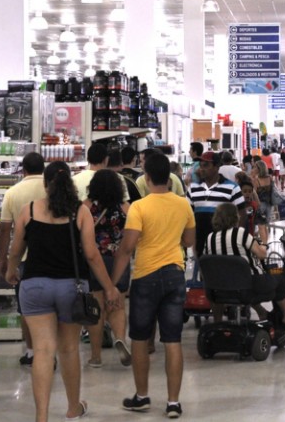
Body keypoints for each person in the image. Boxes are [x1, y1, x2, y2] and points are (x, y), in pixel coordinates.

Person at [5, 161, 121, 422]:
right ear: (69, 183)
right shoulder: (80, 212)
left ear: (45, 184)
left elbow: (15, 250)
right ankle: (72, 408)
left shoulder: (29, 211)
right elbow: (91, 255)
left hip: (34, 286)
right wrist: (110, 287)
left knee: (43, 351)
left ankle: (42, 416)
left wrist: (11, 271)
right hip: (71, 288)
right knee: (68, 349)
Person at [111, 153, 196, 418]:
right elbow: (190, 241)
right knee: (172, 340)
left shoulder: (139, 207)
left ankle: (142, 396)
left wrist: (113, 284)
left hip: (145, 277)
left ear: (146, 178)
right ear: (169, 178)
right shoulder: (183, 205)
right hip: (174, 275)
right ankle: (173, 403)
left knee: (139, 338)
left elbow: (127, 248)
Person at [204, 202, 285, 329]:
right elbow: (262, 254)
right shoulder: (240, 233)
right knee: (279, 278)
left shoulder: (210, 238)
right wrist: (264, 243)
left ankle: (262, 313)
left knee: (243, 280)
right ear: (235, 217)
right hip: (248, 287)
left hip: (219, 290)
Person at [0, 151, 47, 367]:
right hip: (50, 257)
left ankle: (31, 352)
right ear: (43, 168)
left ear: (24, 170)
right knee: (49, 308)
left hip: (24, 260)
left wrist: (4, 259)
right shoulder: (51, 189)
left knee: (26, 308)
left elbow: (4, 229)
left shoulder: (12, 193)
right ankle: (49, 351)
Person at [82, 169, 132, 369]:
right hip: (119, 260)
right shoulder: (125, 208)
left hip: (95, 260)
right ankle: (120, 338)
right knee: (117, 303)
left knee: (96, 307)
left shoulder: (86, 207)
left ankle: (95, 356)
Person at [188, 151, 245, 259]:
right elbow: (189, 216)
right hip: (200, 245)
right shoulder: (193, 188)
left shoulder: (232, 188)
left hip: (224, 245)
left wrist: (237, 238)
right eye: (201, 165)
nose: (201, 169)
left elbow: (242, 214)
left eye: (206, 165)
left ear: (217, 166)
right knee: (204, 274)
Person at [251, 160, 275, 242]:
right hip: (269, 205)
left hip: (260, 205)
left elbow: (253, 194)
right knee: (265, 226)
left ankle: (264, 245)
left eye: (254, 167)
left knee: (261, 226)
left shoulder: (256, 181)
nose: (253, 168)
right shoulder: (270, 178)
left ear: (259, 169)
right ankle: (266, 243)